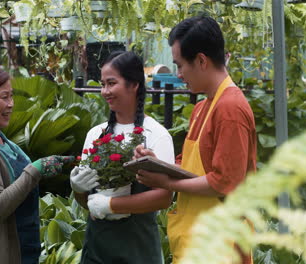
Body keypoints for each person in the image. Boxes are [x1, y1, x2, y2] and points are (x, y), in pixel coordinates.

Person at [135, 16, 256, 264]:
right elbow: (191, 169)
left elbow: (225, 182)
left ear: (201, 60)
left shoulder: (230, 108)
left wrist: (167, 183)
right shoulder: (203, 107)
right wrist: (157, 164)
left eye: (180, 65)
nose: (178, 74)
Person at [0, 64, 74, 264]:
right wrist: (35, 170)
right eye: (4, 97)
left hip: (24, 250)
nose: (11, 104)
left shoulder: (1, 139)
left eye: (11, 96)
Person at [69, 51, 175, 263]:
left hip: (139, 251)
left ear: (134, 84)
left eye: (111, 83)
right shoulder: (96, 135)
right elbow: (89, 203)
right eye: (103, 84)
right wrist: (78, 189)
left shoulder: (156, 135)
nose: (105, 91)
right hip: (97, 251)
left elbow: (164, 197)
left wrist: (112, 205)